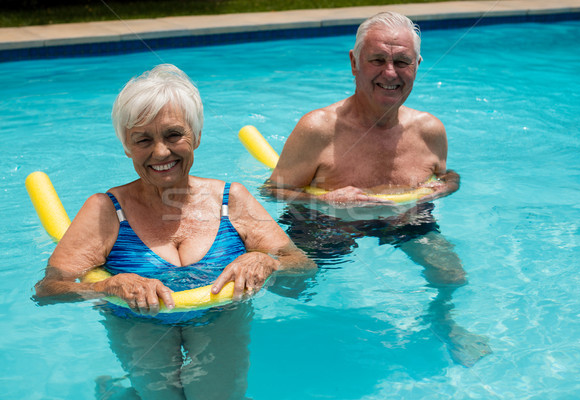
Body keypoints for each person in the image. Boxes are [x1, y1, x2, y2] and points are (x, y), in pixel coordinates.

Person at [34, 64, 315, 399]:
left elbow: (302, 266)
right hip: (137, 322)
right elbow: (48, 290)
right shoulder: (105, 210)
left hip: (218, 316)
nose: (161, 152)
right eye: (143, 140)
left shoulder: (232, 199)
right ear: (127, 146)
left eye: (173, 135)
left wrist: (267, 263)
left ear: (195, 136)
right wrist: (108, 287)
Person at [265, 12, 490, 366]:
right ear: (354, 63)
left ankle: (444, 324)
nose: (390, 73)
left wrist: (445, 188)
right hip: (326, 222)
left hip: (404, 218)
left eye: (402, 61)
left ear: (417, 65)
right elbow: (272, 190)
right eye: (378, 60)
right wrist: (325, 199)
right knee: (289, 286)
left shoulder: (429, 130)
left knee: (451, 275)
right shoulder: (318, 129)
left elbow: (447, 177)